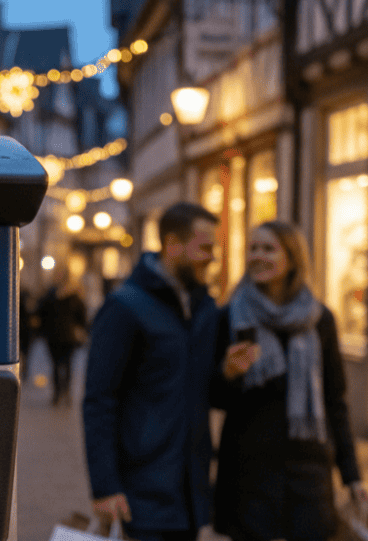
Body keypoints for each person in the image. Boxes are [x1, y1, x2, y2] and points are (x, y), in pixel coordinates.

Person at [212, 220, 368, 541]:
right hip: (248, 468)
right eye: (253, 248)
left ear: (292, 258)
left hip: (307, 465)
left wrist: (351, 475)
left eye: (269, 249)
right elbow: (213, 398)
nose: (258, 256)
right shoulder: (230, 316)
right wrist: (229, 374)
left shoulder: (320, 319)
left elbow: (335, 400)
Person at [83, 202, 222, 541]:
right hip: (141, 493)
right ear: (173, 244)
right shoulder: (124, 307)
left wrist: (230, 373)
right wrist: (105, 487)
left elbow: (206, 392)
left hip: (189, 494)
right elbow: (99, 401)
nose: (212, 258)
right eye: (205, 248)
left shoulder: (205, 308)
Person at [37, 269, 87, 405]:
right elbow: (82, 317)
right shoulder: (74, 298)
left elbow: (41, 314)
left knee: (58, 365)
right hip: (66, 336)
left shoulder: (50, 296)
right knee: (66, 364)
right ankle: (64, 392)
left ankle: (59, 393)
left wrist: (43, 331)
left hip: (56, 336)